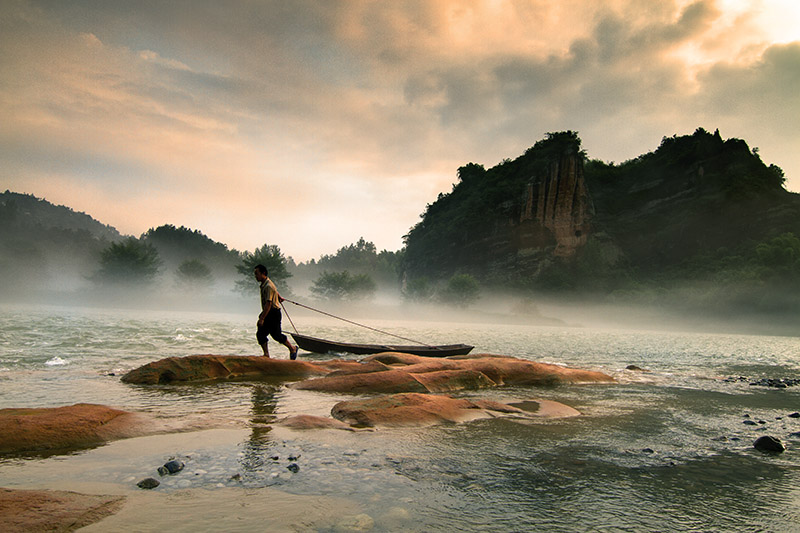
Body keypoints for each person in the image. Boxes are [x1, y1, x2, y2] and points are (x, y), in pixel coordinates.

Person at [254, 264, 298, 359]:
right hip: (270, 312)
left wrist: (262, 318)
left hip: (273, 313)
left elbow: (268, 304)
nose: (255, 276)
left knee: (275, 335)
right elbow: (274, 291)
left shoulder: (268, 286)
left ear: (263, 273)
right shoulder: (266, 283)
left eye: (257, 274)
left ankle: (292, 348)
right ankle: (267, 354)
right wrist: (278, 296)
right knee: (261, 333)